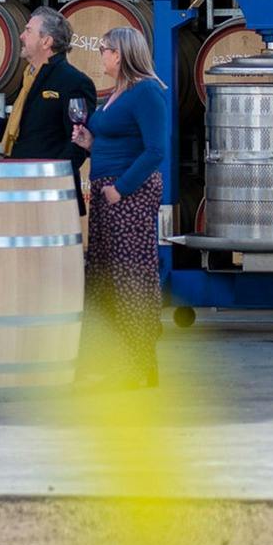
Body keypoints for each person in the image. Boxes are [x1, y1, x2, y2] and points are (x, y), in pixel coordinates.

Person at [71, 25, 168, 389]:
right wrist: (90, 143)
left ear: (122, 53)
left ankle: (140, 362)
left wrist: (121, 189)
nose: (101, 54)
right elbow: (118, 141)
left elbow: (155, 150)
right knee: (106, 276)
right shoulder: (117, 93)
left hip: (129, 195)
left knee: (131, 278)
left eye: (104, 49)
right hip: (108, 192)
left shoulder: (146, 93)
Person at [1, 6, 97, 209]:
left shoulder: (74, 81)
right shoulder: (29, 76)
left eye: (28, 31)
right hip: (20, 188)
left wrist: (52, 180)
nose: (21, 36)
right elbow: (29, 129)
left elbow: (78, 142)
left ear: (46, 41)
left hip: (52, 194)